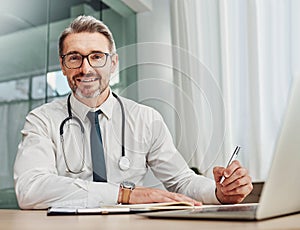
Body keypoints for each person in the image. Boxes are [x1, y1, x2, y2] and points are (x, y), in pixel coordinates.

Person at [14, 15, 253, 209]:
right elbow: (30, 188)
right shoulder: (42, 120)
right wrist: (125, 195)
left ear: (114, 63)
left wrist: (219, 192)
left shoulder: (146, 119)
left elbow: (181, 180)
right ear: (63, 66)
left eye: (97, 57)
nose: (85, 68)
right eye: (75, 58)